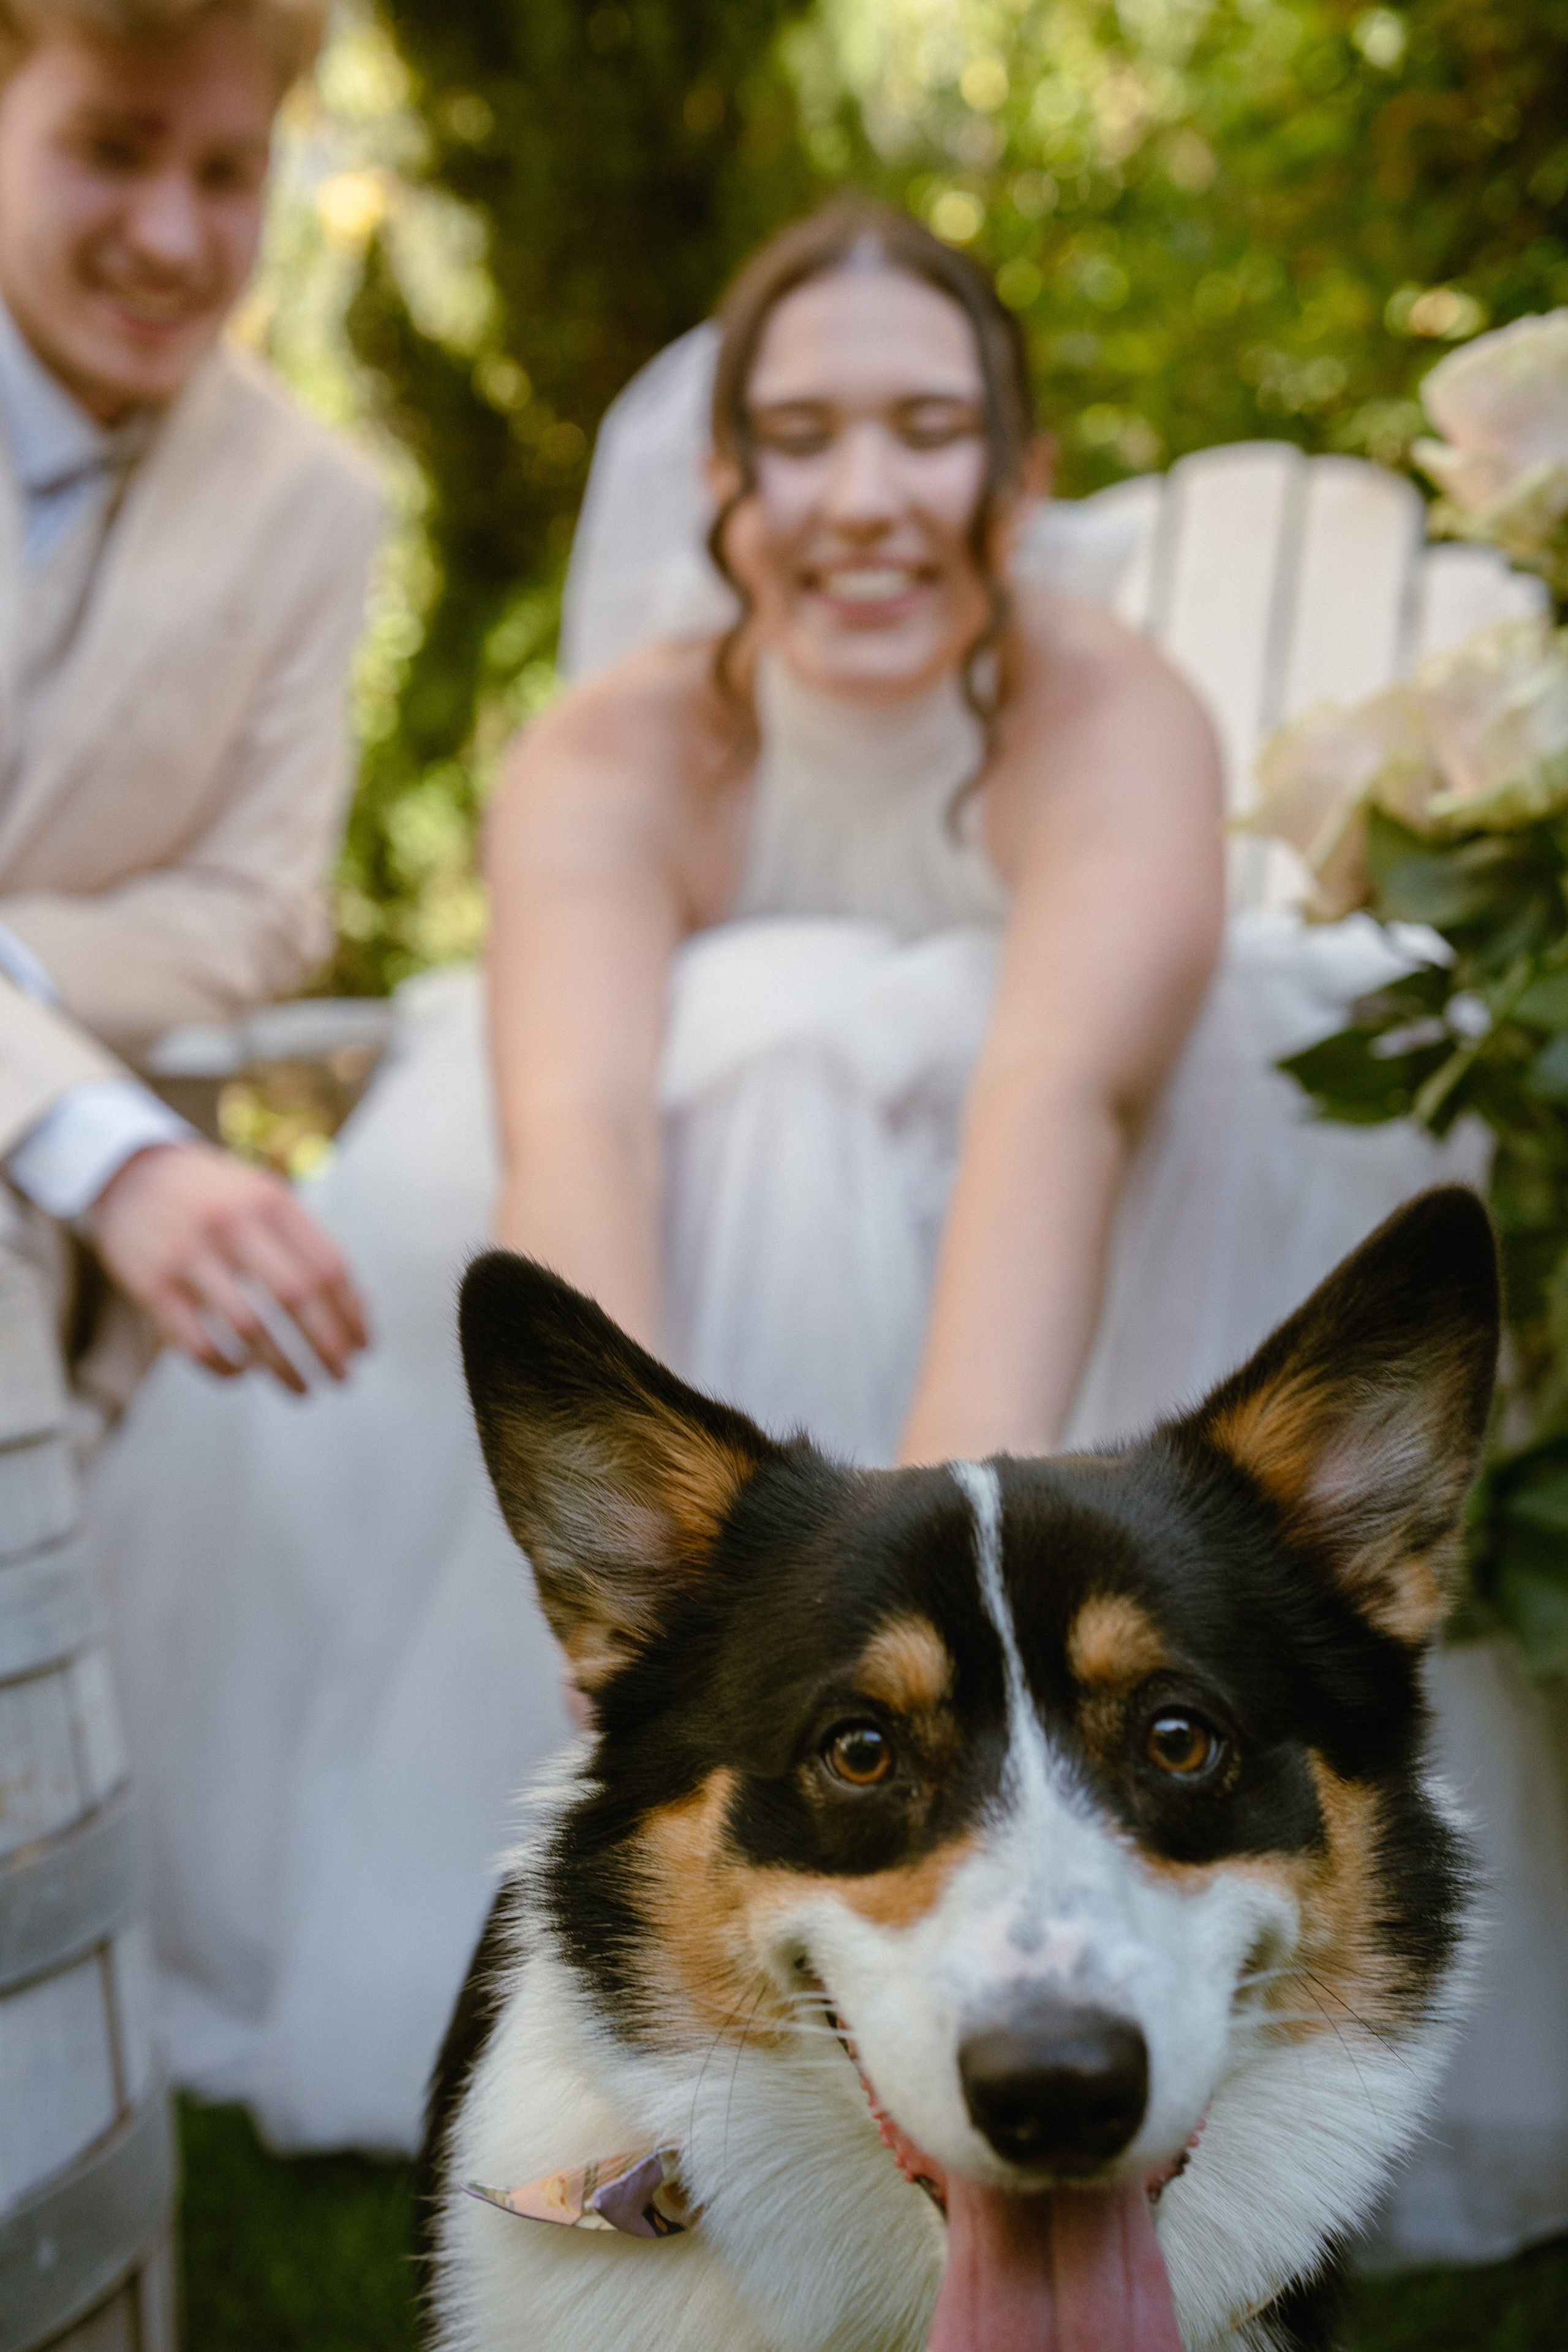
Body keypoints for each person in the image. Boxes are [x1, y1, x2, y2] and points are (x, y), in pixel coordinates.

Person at [89, 202, 1568, 2272]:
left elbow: (1055, 1105)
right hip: (708, 1253)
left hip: (1086, 1262)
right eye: (798, 435)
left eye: (925, 428)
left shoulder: (1114, 717)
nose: (862, 495)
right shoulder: (613, 751)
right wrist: (726, 1620)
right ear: (724, 486)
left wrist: (955, 1634)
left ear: (1023, 473)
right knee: (735, 1044)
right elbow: (583, 1136)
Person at [0, 0, 377, 1413]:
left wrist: (13, 974)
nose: (170, 238)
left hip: (88, 1339)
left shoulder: (317, 505)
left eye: (226, 174)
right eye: (109, 150)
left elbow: (256, 904)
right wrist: (110, 1149)